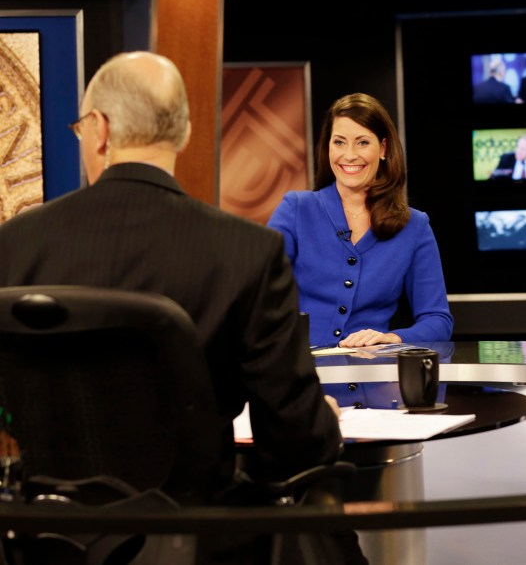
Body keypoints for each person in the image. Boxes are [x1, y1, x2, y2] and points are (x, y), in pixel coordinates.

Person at [0, 52, 364, 561]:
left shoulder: (12, 247)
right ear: (184, 134)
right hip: (198, 547)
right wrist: (318, 420)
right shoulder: (249, 253)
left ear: (99, 130)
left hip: (47, 545)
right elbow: (294, 445)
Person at [269, 93, 453, 349]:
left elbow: (438, 320)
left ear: (384, 149)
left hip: (372, 378)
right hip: (303, 376)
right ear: (328, 147)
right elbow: (260, 292)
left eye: (363, 142)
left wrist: (391, 338)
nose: (350, 155)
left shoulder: (415, 226)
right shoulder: (296, 209)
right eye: (339, 142)